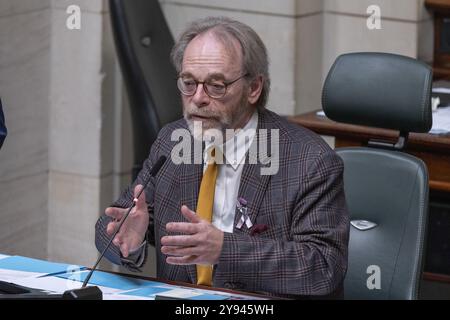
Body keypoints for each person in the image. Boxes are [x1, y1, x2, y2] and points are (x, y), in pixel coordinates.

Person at [95, 16, 349, 299]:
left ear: (253, 88)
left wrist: (224, 249)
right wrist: (129, 238)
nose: (198, 98)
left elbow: (323, 268)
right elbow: (114, 226)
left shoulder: (309, 160)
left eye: (216, 86)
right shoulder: (173, 142)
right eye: (188, 83)